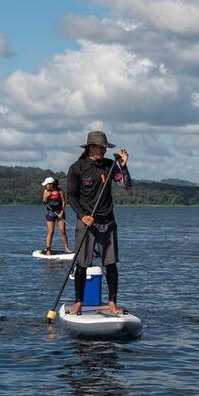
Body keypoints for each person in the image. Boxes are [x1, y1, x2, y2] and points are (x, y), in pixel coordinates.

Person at [66, 131, 132, 315]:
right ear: (90, 147)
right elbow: (71, 195)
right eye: (101, 147)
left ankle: (112, 302)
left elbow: (125, 185)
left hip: (108, 221)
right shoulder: (77, 168)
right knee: (82, 264)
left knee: (110, 264)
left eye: (105, 148)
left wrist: (123, 166)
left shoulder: (110, 166)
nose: (104, 150)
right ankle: (79, 302)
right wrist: (82, 215)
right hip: (87, 222)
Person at [42, 176, 72, 255]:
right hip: (50, 213)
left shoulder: (59, 191)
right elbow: (44, 202)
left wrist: (62, 212)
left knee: (62, 231)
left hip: (60, 213)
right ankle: (48, 250)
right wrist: (47, 196)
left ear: (51, 184)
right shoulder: (46, 191)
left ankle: (66, 248)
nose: (46, 186)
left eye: (47, 185)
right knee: (50, 232)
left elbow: (64, 202)